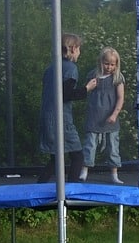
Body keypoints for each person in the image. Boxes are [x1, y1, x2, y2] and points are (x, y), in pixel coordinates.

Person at [37, 33, 97, 183]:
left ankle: (39, 186)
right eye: (78, 49)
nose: (79, 52)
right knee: (77, 156)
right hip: (61, 119)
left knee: (56, 158)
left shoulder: (51, 67)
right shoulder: (70, 68)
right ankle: (72, 188)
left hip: (47, 117)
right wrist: (87, 88)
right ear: (72, 49)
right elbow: (66, 94)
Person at [80, 46, 126, 184]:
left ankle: (114, 173)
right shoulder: (93, 75)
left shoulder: (117, 78)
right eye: (107, 63)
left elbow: (120, 98)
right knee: (89, 145)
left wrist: (114, 114)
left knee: (112, 147)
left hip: (110, 118)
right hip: (94, 116)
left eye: (112, 64)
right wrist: (89, 87)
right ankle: (84, 170)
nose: (109, 67)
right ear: (101, 62)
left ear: (116, 64)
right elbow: (87, 90)